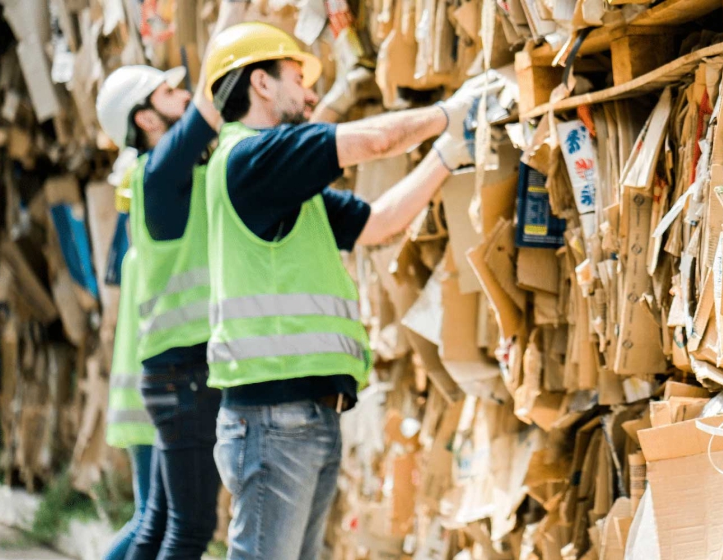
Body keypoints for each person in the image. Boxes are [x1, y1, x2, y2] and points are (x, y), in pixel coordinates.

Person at [201, 21, 493, 560]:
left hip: (305, 413)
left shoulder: (282, 187)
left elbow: (378, 223)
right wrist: (453, 110)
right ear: (261, 84)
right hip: (275, 416)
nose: (312, 94)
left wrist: (448, 154)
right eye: (298, 77)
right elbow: (377, 142)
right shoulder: (251, 159)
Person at [94, 2, 248, 558]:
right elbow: (209, 99)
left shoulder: (171, 174)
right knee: (188, 529)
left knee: (159, 522)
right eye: (167, 95)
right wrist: (234, 12)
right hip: (183, 373)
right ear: (146, 119)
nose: (182, 98)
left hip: (179, 370)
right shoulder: (160, 173)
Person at [102, 173, 162, 560]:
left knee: (151, 517)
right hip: (151, 407)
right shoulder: (148, 260)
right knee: (152, 519)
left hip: (139, 406)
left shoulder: (134, 257)